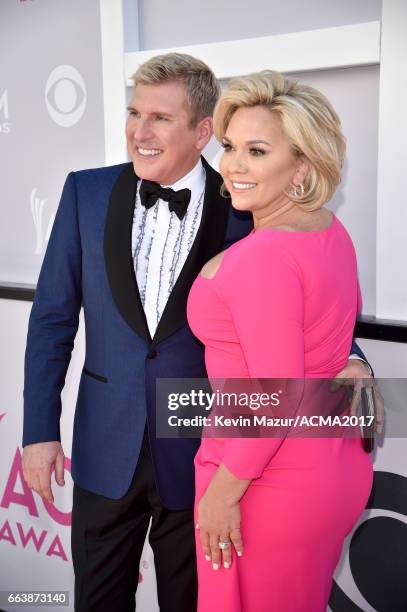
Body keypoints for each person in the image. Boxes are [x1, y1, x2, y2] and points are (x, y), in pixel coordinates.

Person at [22, 54, 372, 612]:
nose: (140, 131)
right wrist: (39, 430)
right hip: (105, 447)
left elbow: (299, 304)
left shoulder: (247, 207)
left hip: (202, 460)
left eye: (160, 117)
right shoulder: (84, 194)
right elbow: (52, 320)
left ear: (202, 129)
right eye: (134, 113)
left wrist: (355, 361)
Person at [187, 70, 374, 612]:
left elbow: (275, 396)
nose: (234, 165)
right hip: (329, 469)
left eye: (257, 150)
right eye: (230, 146)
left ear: (302, 168)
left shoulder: (263, 258)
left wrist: (223, 495)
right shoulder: (329, 232)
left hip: (261, 483)